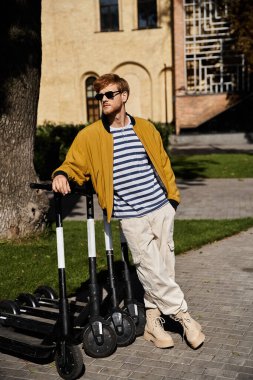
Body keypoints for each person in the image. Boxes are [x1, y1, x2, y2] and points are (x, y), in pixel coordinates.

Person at [52, 73, 205, 349]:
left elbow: (163, 163)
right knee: (149, 268)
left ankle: (153, 324)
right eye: (100, 96)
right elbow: (73, 164)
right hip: (130, 215)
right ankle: (184, 317)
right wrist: (62, 174)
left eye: (109, 94)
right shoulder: (90, 136)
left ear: (124, 96)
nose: (104, 100)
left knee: (163, 269)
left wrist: (172, 201)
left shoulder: (145, 128)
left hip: (160, 207)